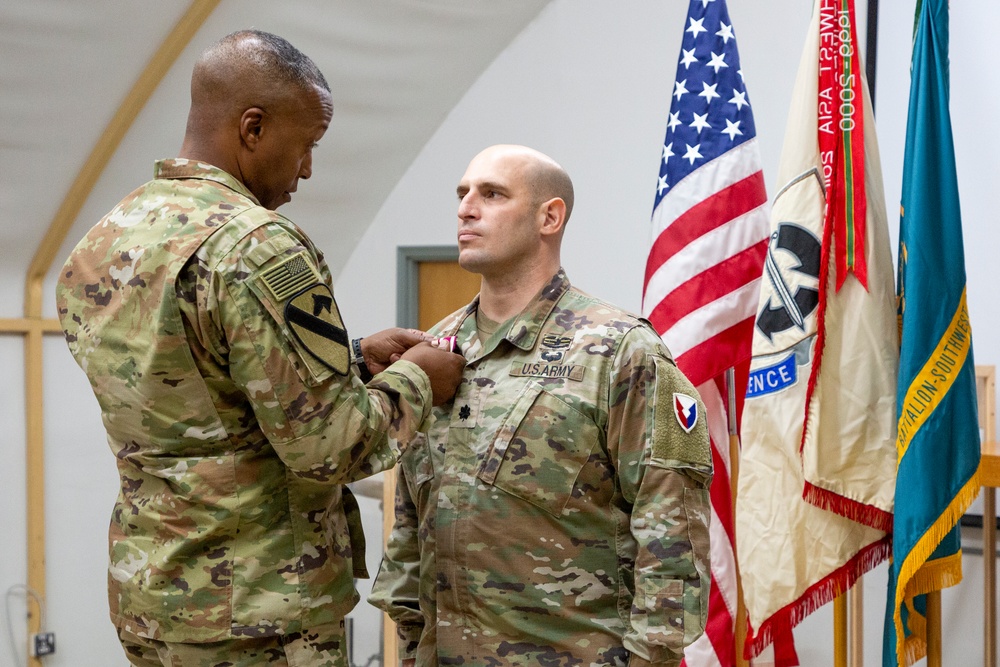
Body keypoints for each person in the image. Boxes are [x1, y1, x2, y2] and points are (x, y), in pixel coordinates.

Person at [55, 30, 464, 667]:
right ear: (252, 127)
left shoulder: (104, 240)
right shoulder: (258, 246)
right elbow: (332, 446)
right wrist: (417, 378)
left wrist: (352, 359)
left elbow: (194, 384)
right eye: (306, 146)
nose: (306, 169)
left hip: (155, 597)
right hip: (258, 610)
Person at [370, 145, 712, 667]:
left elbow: (671, 536)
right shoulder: (435, 353)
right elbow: (410, 527)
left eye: (492, 193)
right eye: (462, 194)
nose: (466, 208)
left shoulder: (618, 350)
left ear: (549, 216)